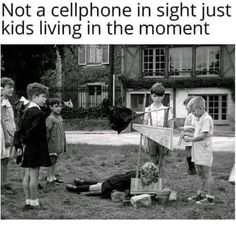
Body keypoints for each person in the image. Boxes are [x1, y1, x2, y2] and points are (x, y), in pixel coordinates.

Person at [18, 82, 51, 210]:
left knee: (26, 175)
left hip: (27, 147)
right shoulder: (37, 113)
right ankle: (35, 202)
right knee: (34, 176)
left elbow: (20, 130)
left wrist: (22, 144)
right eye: (43, 96)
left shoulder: (26, 111)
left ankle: (28, 202)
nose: (45, 99)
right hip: (35, 147)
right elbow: (34, 132)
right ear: (34, 96)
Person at [66, 162, 159, 200]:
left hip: (115, 180)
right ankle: (76, 188)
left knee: (99, 184)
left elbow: (127, 173)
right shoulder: (134, 180)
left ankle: (81, 182)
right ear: (143, 175)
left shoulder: (138, 174)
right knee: (96, 188)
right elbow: (129, 193)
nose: (150, 183)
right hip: (112, 184)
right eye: (149, 181)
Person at [184, 96, 215, 205]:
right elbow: (197, 133)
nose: (192, 114)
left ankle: (210, 198)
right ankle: (200, 193)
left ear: (201, 108)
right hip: (197, 151)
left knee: (207, 173)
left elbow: (202, 136)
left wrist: (190, 139)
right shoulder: (199, 118)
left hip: (204, 151)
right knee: (200, 173)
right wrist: (188, 134)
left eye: (193, 111)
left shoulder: (206, 119)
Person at [143, 82, 174, 179]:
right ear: (151, 95)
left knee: (162, 162)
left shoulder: (167, 110)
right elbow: (144, 127)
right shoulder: (147, 109)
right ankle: (153, 181)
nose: (157, 98)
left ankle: (161, 182)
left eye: (159, 96)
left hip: (163, 139)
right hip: (151, 138)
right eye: (154, 96)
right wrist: (145, 142)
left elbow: (170, 126)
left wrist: (169, 142)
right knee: (152, 162)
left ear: (163, 96)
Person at [1, 77, 16, 193]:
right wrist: (6, 136)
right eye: (9, 87)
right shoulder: (2, 102)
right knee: (3, 158)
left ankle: (4, 182)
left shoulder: (7, 101)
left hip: (10, 132)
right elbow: (1, 119)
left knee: (6, 159)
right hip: (3, 133)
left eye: (12, 87)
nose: (12, 89)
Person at [46, 98, 66, 183]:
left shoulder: (60, 118)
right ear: (51, 107)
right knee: (51, 160)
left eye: (60, 106)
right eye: (56, 106)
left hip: (58, 142)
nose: (59, 108)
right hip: (52, 143)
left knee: (55, 160)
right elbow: (47, 132)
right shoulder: (50, 118)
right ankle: (49, 177)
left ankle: (53, 176)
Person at [180, 96, 198, 175]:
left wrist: (185, 129)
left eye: (186, 106)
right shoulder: (190, 114)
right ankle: (192, 168)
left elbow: (194, 127)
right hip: (189, 136)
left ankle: (192, 169)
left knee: (189, 151)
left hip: (190, 136)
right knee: (188, 151)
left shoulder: (192, 115)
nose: (185, 108)